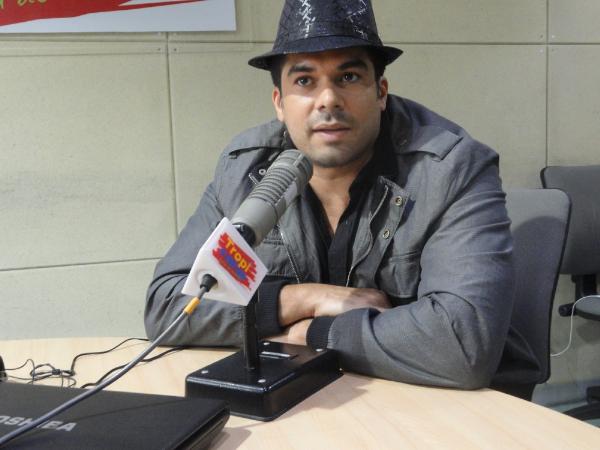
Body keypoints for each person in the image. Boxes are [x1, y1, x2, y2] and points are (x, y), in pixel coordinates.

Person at [145, 0, 539, 396]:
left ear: (380, 92)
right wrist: (305, 299)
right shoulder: (244, 170)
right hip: (316, 397)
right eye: (304, 81)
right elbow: (168, 307)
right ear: (279, 103)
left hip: (446, 403)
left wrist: (313, 334)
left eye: (348, 77)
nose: (328, 99)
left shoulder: (451, 169)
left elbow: (462, 346)